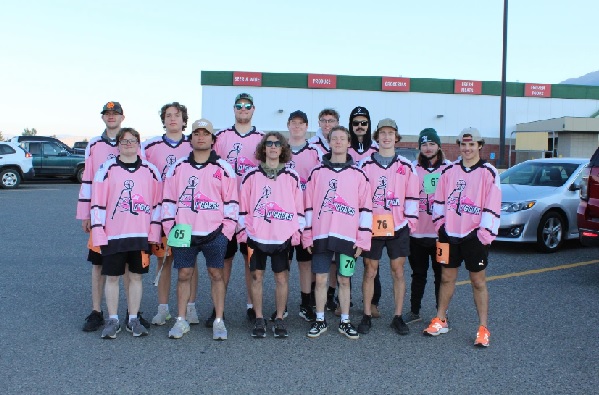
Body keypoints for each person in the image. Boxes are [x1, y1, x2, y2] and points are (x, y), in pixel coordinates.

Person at [424, 127, 501, 348]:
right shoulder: (449, 171)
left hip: (474, 236)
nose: (467, 149)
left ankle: (483, 328)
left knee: (478, 282)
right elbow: (438, 201)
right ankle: (441, 319)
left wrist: (484, 234)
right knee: (446, 278)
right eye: (463, 145)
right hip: (451, 234)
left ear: (479, 145)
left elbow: (493, 204)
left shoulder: (489, 172)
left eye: (471, 144)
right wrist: (441, 226)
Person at [162, 119, 238, 340]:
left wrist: (226, 231)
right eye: (197, 133)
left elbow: (232, 202)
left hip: (215, 232)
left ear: (213, 140)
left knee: (216, 274)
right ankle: (181, 320)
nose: (201, 137)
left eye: (205, 134)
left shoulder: (223, 168)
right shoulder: (178, 167)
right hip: (184, 231)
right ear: (191, 138)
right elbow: (168, 200)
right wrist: (169, 227)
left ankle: (219, 321)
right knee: (184, 274)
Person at [77, 102, 149, 331]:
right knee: (99, 264)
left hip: (128, 221)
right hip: (102, 217)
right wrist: (85, 213)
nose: (111, 117)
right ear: (103, 118)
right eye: (107, 114)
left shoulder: (134, 143)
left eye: (115, 113)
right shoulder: (94, 144)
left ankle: (132, 313)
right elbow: (88, 179)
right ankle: (97, 311)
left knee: (130, 267)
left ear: (122, 117)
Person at [90, 128, 162, 339]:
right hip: (114, 235)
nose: (128, 144)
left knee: (136, 277)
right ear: (118, 144)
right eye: (124, 141)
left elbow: (157, 204)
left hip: (139, 235)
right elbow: (97, 204)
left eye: (132, 141)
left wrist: (154, 232)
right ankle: (112, 319)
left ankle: (132, 319)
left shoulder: (151, 171)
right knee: (112, 278)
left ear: (139, 144)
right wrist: (99, 233)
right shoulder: (106, 169)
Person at [302, 126, 372, 339]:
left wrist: (363, 239)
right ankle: (320, 319)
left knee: (344, 279)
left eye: (343, 138)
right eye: (335, 138)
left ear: (349, 142)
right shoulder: (317, 172)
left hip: (348, 238)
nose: (339, 142)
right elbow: (308, 206)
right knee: (321, 278)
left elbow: (366, 209)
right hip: (321, 235)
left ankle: (345, 321)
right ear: (329, 142)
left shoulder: (359, 174)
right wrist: (307, 234)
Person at [238, 132, 305, 338]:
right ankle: (259, 318)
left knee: (281, 278)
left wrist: (296, 233)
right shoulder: (251, 176)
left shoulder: (291, 176)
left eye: (277, 144)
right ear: (263, 149)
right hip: (257, 237)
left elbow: (299, 209)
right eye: (269, 144)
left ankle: (279, 318)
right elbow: (243, 208)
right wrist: (244, 233)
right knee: (256, 277)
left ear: (283, 149)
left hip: (282, 237)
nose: (273, 147)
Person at [357, 118, 419, 335]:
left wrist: (409, 223)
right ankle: (366, 314)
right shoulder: (364, 165)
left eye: (390, 133)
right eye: (382, 133)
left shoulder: (406, 165)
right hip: (373, 226)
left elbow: (412, 196)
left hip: (398, 226)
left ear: (396, 137)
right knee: (370, 270)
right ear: (377, 136)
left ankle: (398, 316)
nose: (386, 137)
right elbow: (359, 196)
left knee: (398, 270)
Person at [210, 93, 264, 326]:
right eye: (239, 106)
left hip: (251, 209)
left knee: (250, 260)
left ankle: (252, 306)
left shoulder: (262, 139)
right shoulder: (221, 137)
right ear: (234, 109)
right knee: (224, 260)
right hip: (225, 209)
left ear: (253, 110)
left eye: (247, 106)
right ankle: (217, 308)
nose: (243, 109)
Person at [142, 102, 197, 327]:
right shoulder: (150, 146)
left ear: (184, 120)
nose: (172, 119)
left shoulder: (195, 144)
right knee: (164, 261)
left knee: (189, 264)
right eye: (168, 115)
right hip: (161, 212)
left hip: (186, 214)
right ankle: (162, 308)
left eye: (177, 115)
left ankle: (191, 307)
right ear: (163, 120)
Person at [404, 128, 451, 325]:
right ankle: (415, 310)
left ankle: (441, 313)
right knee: (418, 274)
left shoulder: (449, 168)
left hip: (441, 235)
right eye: (424, 145)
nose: (428, 148)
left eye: (431, 144)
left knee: (442, 275)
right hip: (417, 234)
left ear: (438, 146)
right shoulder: (413, 168)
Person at [285, 110, 322, 322]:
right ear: (288, 125)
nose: (297, 126)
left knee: (305, 262)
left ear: (306, 126)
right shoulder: (280, 150)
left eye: (301, 123)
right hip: (285, 214)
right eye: (293, 123)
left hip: (307, 213)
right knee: (284, 263)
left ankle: (306, 303)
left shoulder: (315, 152)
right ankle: (283, 305)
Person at [348, 106, 382, 317]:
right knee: (348, 258)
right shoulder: (344, 146)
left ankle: (373, 302)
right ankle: (346, 300)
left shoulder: (377, 149)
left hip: (372, 213)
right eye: (356, 123)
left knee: (371, 262)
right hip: (349, 212)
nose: (360, 127)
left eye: (364, 123)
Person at [307, 108, 340, 311]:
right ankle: (314, 295)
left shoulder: (343, 141)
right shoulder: (312, 146)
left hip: (340, 210)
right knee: (318, 258)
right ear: (319, 123)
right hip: (321, 207)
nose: (327, 124)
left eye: (331, 121)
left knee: (336, 260)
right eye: (324, 121)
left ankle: (331, 295)